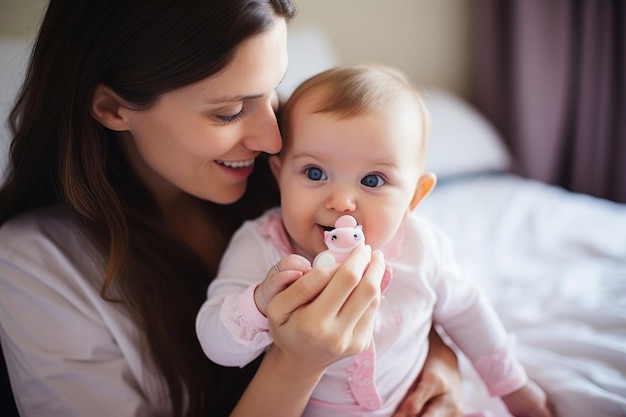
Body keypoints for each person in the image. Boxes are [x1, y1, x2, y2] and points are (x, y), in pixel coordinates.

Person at [0, 2, 465, 417]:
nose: (273, 139)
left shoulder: (300, 178)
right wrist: (297, 363)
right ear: (113, 107)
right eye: (229, 111)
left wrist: (441, 366)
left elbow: (418, 281)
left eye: (272, 92)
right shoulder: (32, 270)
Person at [196, 64, 555, 417]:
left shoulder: (421, 247)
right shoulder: (262, 246)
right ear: (280, 176)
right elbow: (216, 345)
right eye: (315, 173)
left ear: (414, 198)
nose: (341, 201)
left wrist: (513, 388)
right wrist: (259, 304)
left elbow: (467, 312)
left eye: (372, 181)